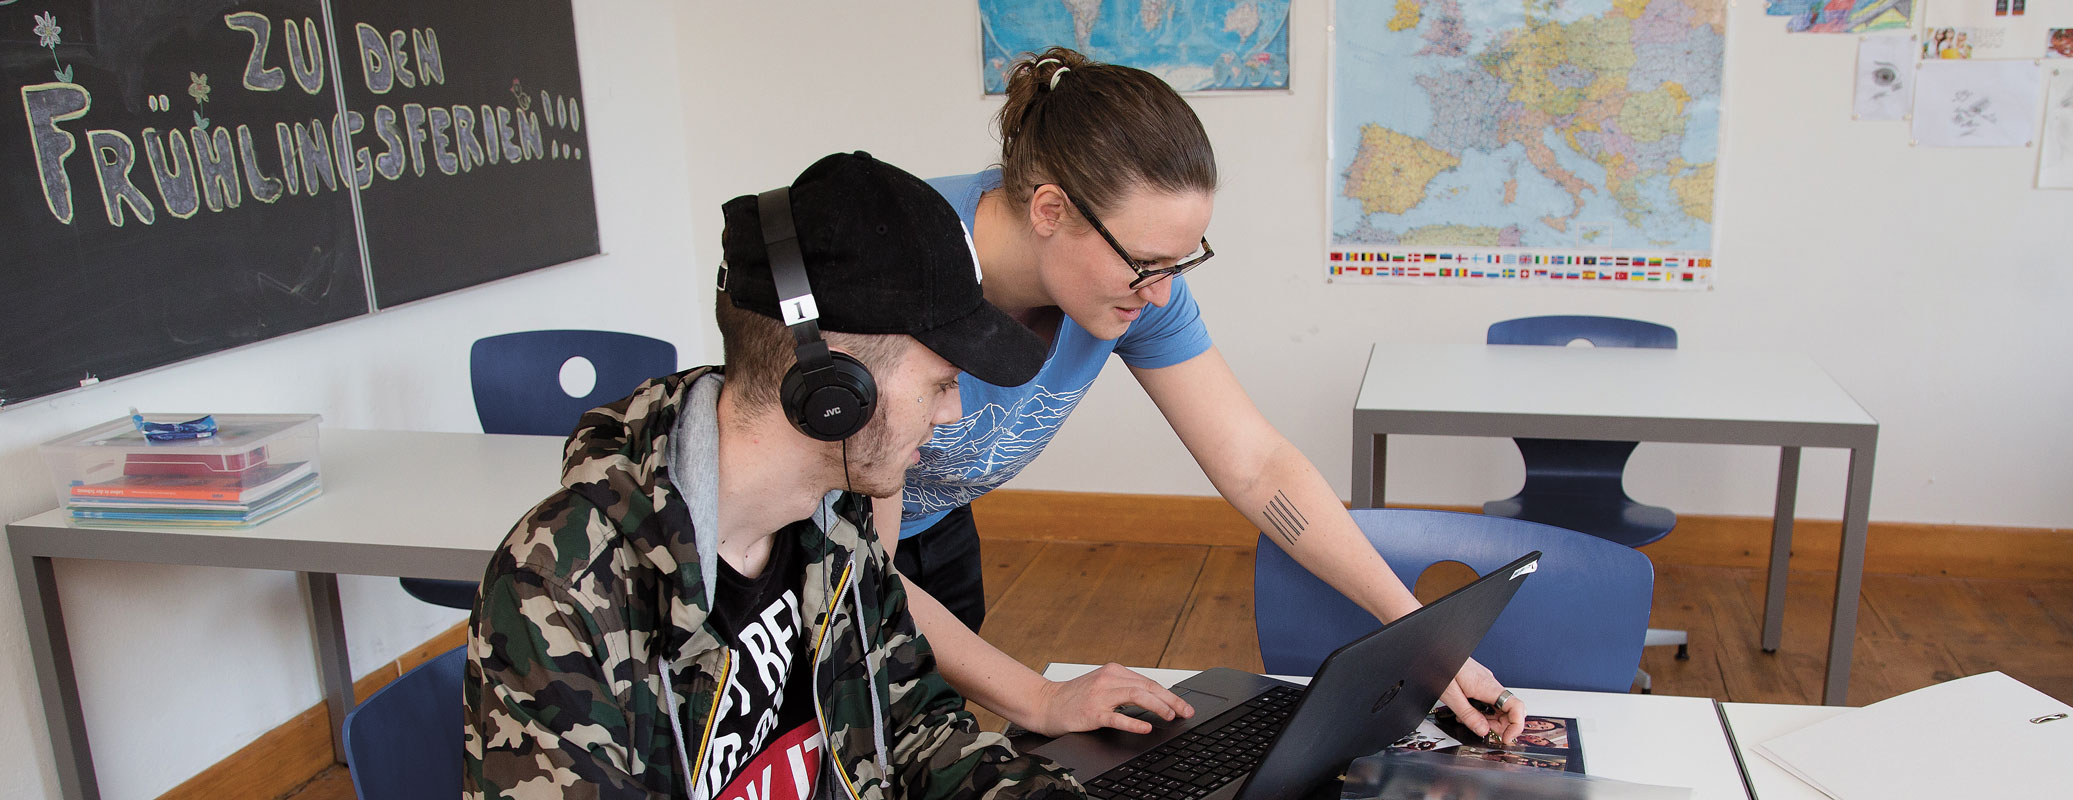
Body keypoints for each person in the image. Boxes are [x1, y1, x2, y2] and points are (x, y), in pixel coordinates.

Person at [873, 47, 1529, 746]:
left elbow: (1254, 463)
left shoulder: (1134, 288)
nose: (1160, 294)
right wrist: (1036, 697)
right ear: (1050, 209)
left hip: (936, 534)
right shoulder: (896, 272)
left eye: (1178, 263)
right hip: (813, 551)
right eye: (1143, 265)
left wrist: (1419, 634)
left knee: (917, 744)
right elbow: (858, 569)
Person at [462, 152, 1088, 800]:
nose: (954, 411)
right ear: (836, 390)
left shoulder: (838, 531)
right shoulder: (561, 592)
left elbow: (917, 731)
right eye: (942, 382)